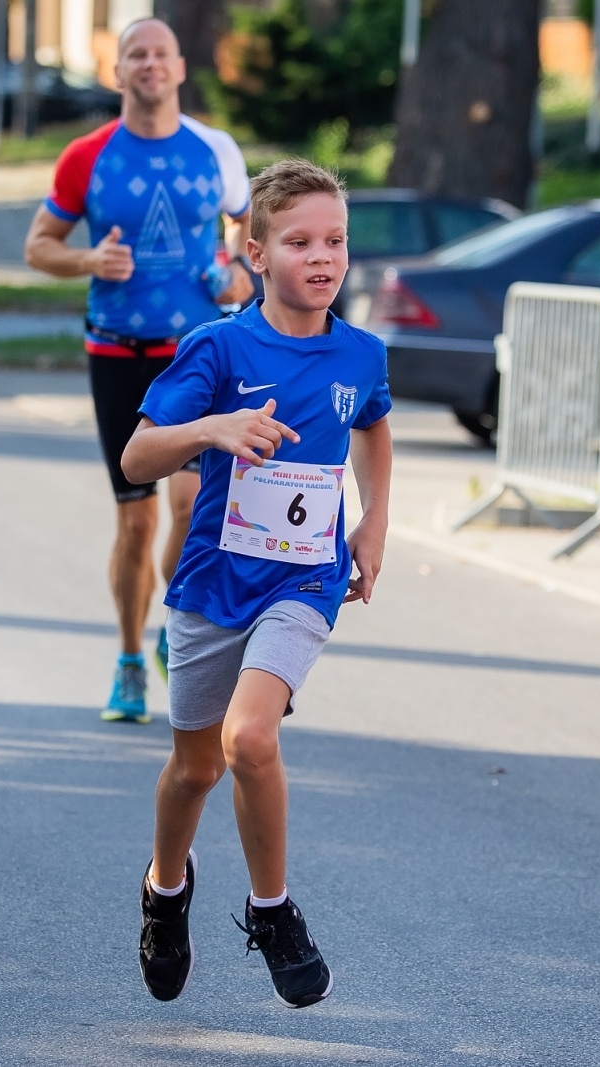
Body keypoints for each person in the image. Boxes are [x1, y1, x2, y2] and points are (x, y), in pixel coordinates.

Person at [119, 158, 392, 1008]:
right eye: (300, 241)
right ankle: (166, 890)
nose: (323, 257)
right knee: (194, 768)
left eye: (336, 240)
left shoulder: (362, 353)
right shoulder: (219, 347)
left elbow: (373, 424)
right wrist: (215, 427)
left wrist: (374, 520)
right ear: (258, 252)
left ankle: (272, 910)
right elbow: (137, 457)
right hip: (212, 582)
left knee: (250, 739)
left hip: (304, 581)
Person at [23, 18, 254, 724]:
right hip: (117, 352)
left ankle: (170, 630)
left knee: (190, 509)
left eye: (160, 54)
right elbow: (39, 245)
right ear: (117, 71)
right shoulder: (87, 156)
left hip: (195, 356)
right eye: (136, 55)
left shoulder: (216, 150)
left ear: (180, 67)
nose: (150, 65)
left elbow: (247, 229)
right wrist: (89, 260)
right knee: (135, 521)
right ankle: (128, 659)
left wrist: (236, 272)